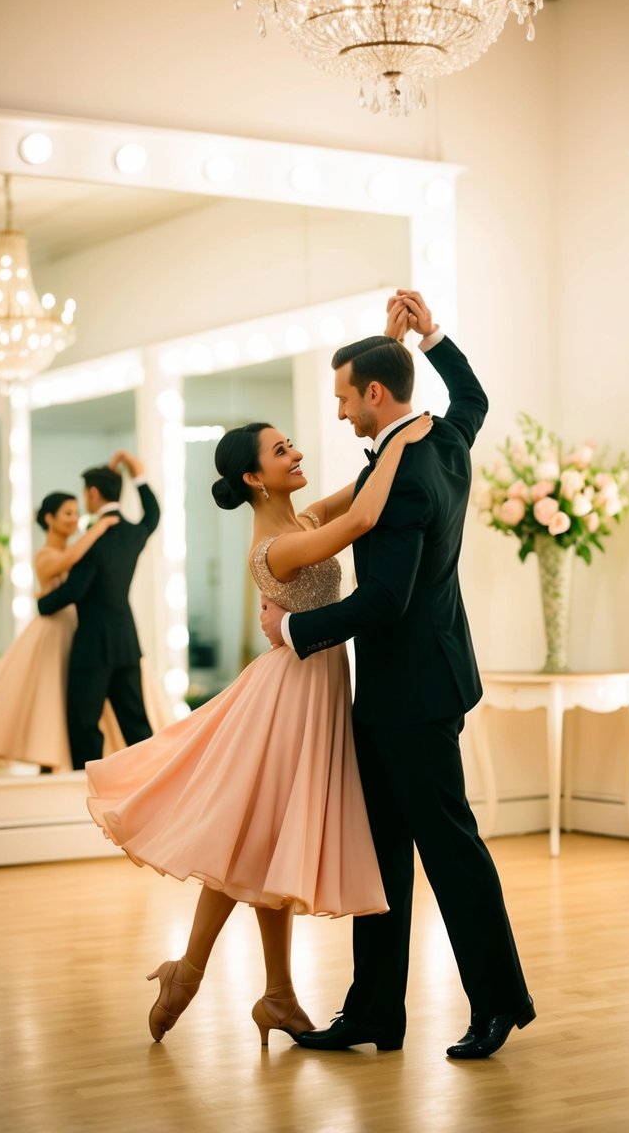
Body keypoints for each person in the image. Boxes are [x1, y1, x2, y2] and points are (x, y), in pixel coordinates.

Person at [83, 409, 432, 1046]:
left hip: (310, 693)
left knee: (265, 843)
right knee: (249, 840)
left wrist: (394, 425)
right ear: (254, 477)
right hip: (288, 700)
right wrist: (406, 436)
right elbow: (362, 517)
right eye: (280, 450)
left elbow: (358, 489)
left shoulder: (303, 521)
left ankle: (275, 993)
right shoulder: (278, 546)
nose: (295, 453)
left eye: (290, 444)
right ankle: (190, 976)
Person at [260, 289, 533, 1061]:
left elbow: (384, 600)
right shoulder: (441, 437)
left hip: (412, 695)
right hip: (399, 691)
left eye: (346, 396)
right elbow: (472, 396)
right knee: (378, 860)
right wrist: (425, 336)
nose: (340, 412)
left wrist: (294, 629)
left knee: (450, 854)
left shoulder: (408, 472)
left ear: (374, 393)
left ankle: (498, 1004)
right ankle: (376, 1012)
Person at [0, 487, 166, 779]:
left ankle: (50, 768)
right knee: (13, 701)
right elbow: (69, 559)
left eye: (76, 512)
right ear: (50, 518)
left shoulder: (82, 545)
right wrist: (99, 528)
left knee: (61, 705)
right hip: (50, 634)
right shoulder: (47, 555)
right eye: (67, 513)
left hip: (76, 631)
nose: (74, 519)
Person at [37, 450, 160, 770]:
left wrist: (42, 604)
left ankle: (85, 788)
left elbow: (76, 589)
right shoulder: (134, 532)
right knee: (136, 724)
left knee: (84, 725)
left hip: (93, 645)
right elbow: (153, 515)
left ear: (93, 493)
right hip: (126, 641)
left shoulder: (96, 537)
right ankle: (150, 782)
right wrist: (139, 475)